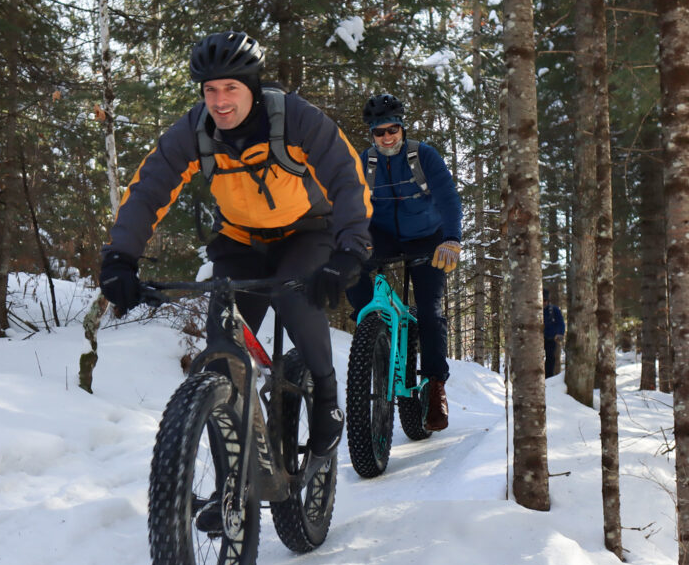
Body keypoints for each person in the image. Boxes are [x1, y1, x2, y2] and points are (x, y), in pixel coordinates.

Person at [99, 31, 372, 468]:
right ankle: (235, 476)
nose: (220, 101)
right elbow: (149, 189)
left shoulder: (296, 119)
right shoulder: (196, 130)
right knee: (222, 351)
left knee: (293, 294)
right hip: (241, 238)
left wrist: (349, 251)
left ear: (253, 86)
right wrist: (119, 257)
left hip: (307, 231)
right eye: (210, 90)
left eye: (231, 89)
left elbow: (345, 177)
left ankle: (326, 392)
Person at [345, 93, 462, 431]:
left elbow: (449, 199)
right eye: (379, 132)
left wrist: (452, 239)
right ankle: (374, 328)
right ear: (371, 134)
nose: (387, 137)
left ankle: (436, 386)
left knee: (429, 309)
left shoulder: (423, 156)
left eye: (392, 129)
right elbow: (351, 207)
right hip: (382, 234)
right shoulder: (363, 163)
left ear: (402, 128)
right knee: (351, 264)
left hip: (427, 235)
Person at [543, 288, 565, 378]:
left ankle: (548, 378)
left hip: (550, 339)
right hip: (537, 339)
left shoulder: (554, 310)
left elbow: (561, 323)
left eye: (545, 300)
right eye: (542, 300)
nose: (544, 303)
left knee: (550, 359)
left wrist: (560, 333)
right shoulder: (534, 311)